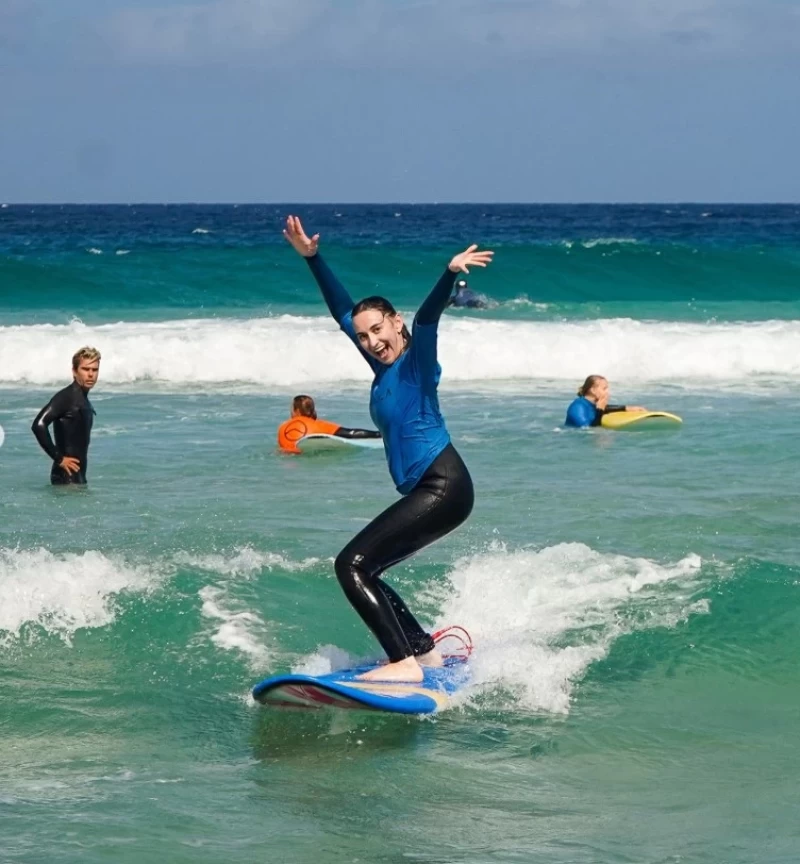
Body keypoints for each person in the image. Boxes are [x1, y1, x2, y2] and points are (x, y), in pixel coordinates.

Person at [283, 214, 493, 682]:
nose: (373, 341)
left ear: (396, 322)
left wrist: (449, 271)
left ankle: (402, 665)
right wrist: (313, 259)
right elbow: (341, 312)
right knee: (369, 569)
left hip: (444, 484)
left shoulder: (417, 361)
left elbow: (430, 316)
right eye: (365, 336)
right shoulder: (382, 369)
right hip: (431, 488)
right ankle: (423, 653)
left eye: (379, 328)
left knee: (350, 565)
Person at [31, 346, 100, 485]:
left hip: (77, 477)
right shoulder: (67, 397)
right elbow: (38, 425)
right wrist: (59, 459)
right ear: (74, 371)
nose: (91, 374)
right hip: (65, 477)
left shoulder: (82, 398)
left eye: (95, 369)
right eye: (85, 369)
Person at [277, 395, 381, 454]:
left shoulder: (282, 427)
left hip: (287, 456)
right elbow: (350, 433)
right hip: (308, 453)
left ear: (297, 410)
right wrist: (378, 434)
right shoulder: (318, 425)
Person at [565, 375, 646, 428]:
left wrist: (627, 408)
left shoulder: (590, 404)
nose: (607, 392)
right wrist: (600, 410)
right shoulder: (577, 407)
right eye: (604, 389)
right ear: (593, 390)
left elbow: (600, 409)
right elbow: (587, 429)